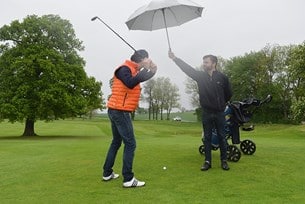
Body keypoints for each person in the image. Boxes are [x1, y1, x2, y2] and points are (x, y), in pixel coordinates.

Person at [168, 50, 232, 171]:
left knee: (222, 137)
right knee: (207, 138)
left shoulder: (222, 78)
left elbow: (229, 94)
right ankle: (207, 161)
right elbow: (187, 69)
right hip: (207, 112)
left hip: (219, 112)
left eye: (206, 62)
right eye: (203, 62)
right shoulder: (200, 76)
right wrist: (175, 59)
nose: (204, 64)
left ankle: (224, 161)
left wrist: (222, 104)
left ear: (214, 63)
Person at [102, 49, 157, 187]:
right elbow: (130, 83)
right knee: (131, 143)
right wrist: (146, 69)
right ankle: (128, 179)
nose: (148, 61)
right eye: (147, 59)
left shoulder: (133, 70)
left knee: (116, 142)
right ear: (141, 59)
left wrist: (152, 71)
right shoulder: (124, 69)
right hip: (120, 111)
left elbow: (139, 79)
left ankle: (107, 173)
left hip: (116, 110)